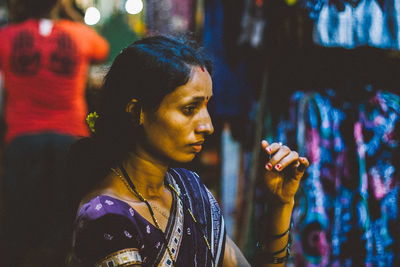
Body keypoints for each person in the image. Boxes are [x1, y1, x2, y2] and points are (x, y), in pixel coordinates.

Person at [67, 35, 309, 267]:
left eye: (206, 107)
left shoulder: (188, 188)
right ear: (136, 112)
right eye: (189, 109)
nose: (208, 126)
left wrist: (280, 203)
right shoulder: (107, 218)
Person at [0, 0, 109, 266]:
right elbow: (102, 49)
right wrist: (70, 13)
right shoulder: (79, 34)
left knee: (19, 222)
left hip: (22, 139)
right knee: (66, 222)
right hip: (69, 138)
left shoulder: (5, 37)